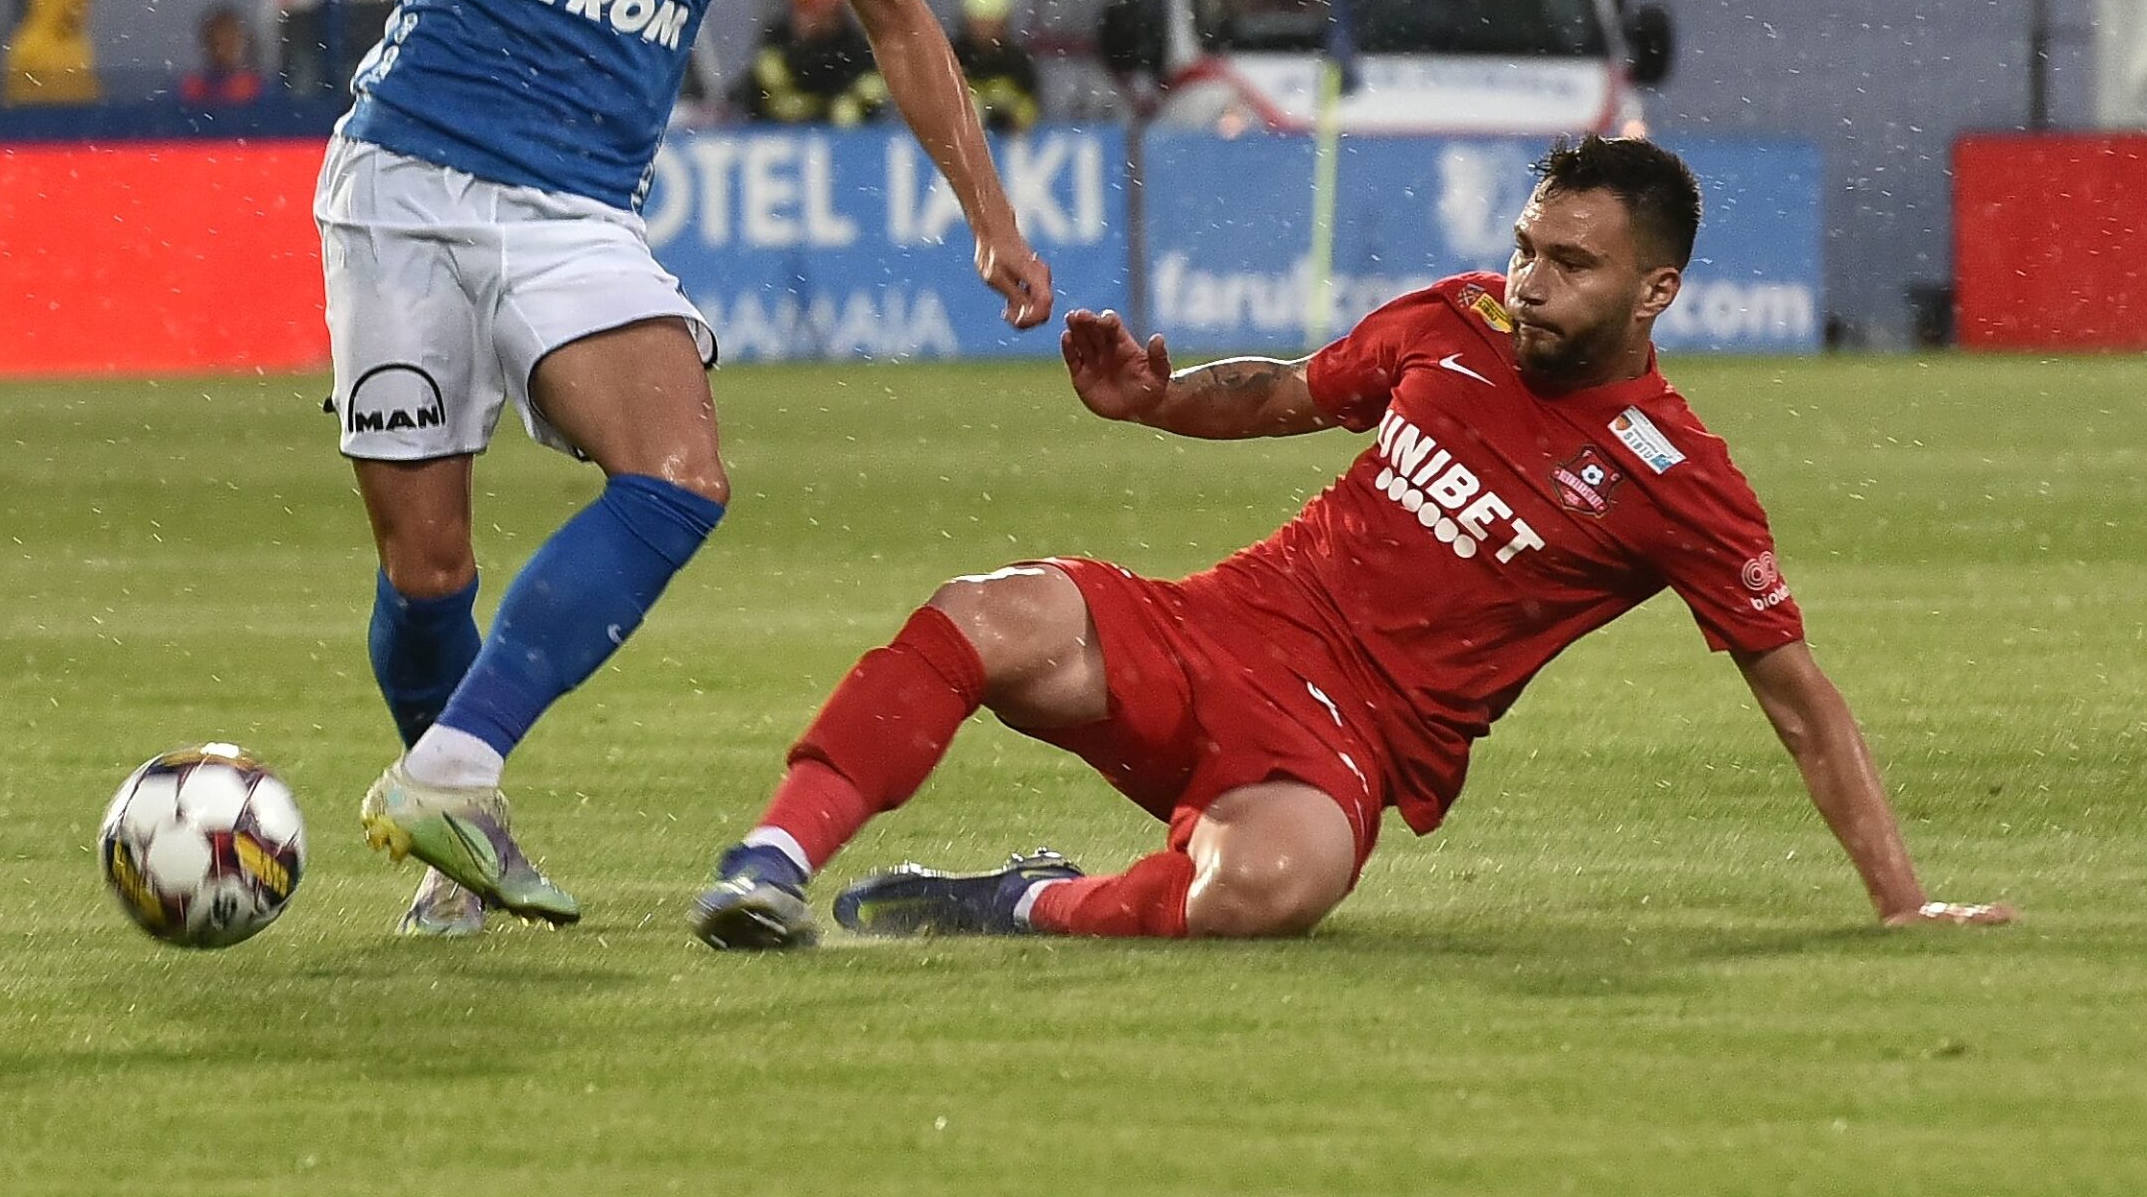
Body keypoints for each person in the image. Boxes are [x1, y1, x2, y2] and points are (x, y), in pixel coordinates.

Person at [226, 0, 1053, 936]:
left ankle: (454, 772)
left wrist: (987, 212)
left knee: (677, 474)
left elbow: (906, 26)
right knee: (427, 572)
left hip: (573, 211)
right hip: (400, 183)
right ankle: (451, 857)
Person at [692, 134, 2013, 949]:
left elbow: (1803, 707)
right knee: (982, 610)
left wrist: (1902, 903)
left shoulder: (1677, 480)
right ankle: (771, 864)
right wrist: (1155, 401)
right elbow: (1289, 393)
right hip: (1224, 624)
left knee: (1272, 890)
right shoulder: (1454, 324)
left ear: (1656, 291)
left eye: (1572, 264)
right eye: (1525, 248)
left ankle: (1022, 903)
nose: (1529, 282)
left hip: (1347, 739)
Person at [733, 0, 881, 125]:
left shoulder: (854, 45)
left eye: (827, 12)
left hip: (841, 131)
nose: (812, 19)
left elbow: (872, 86)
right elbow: (749, 93)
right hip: (780, 130)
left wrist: (850, 101)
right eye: (807, 10)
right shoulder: (777, 39)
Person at [950, 0, 1041, 133]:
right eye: (980, 22)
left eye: (991, 22)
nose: (985, 29)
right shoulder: (951, 57)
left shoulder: (1017, 62)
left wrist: (1008, 117)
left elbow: (1031, 107)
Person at [177, 4, 266, 107]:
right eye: (217, 43)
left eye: (230, 43)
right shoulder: (193, 88)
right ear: (206, 43)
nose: (222, 51)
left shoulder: (253, 88)